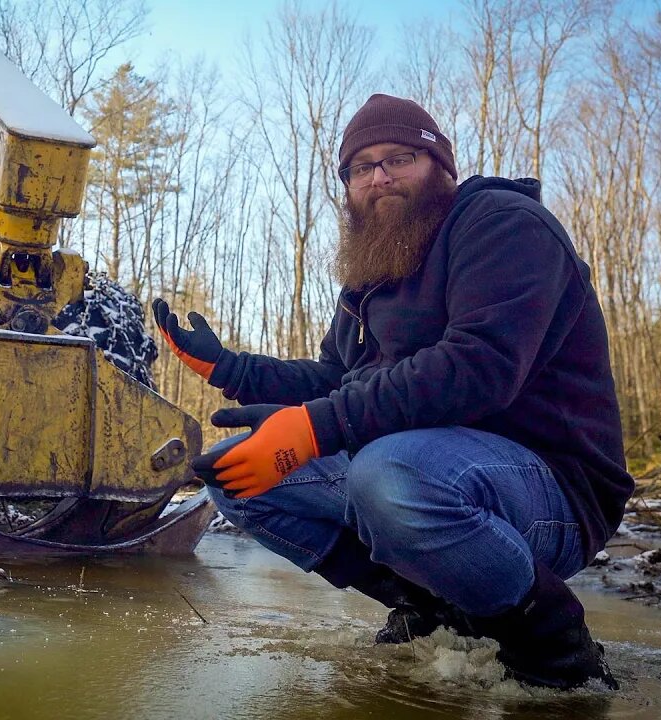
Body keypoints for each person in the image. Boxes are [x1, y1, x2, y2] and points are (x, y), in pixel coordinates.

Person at [153, 93, 631, 691]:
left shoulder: (503, 225)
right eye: (361, 167)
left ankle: (553, 642)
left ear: (442, 168)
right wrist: (229, 366)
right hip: (424, 471)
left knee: (387, 473)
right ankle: (433, 606)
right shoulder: (375, 270)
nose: (379, 177)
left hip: (548, 490)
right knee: (243, 479)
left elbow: (478, 367)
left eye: (400, 158)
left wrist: (313, 428)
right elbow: (338, 379)